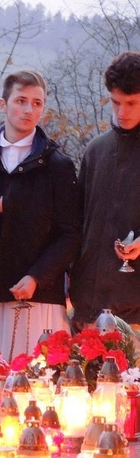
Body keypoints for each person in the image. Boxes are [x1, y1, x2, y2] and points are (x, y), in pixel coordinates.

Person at [0, 70, 81, 360]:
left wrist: (36, 277)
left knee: (39, 385)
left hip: (41, 296)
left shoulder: (57, 165)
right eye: (21, 100)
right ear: (3, 104)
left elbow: (70, 234)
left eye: (37, 103)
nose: (29, 109)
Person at [70, 51, 140, 332]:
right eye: (115, 102)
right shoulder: (95, 150)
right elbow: (77, 225)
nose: (122, 112)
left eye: (132, 103)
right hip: (88, 306)